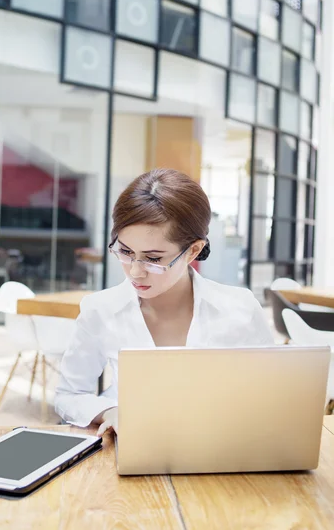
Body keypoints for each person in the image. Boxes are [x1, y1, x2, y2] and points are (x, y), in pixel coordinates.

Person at [55, 169, 274, 436]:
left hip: (220, 448)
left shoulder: (240, 309)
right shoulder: (100, 310)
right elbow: (69, 394)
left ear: (193, 250)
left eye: (154, 259)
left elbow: (269, 395)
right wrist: (108, 412)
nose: (136, 271)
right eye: (125, 252)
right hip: (131, 450)